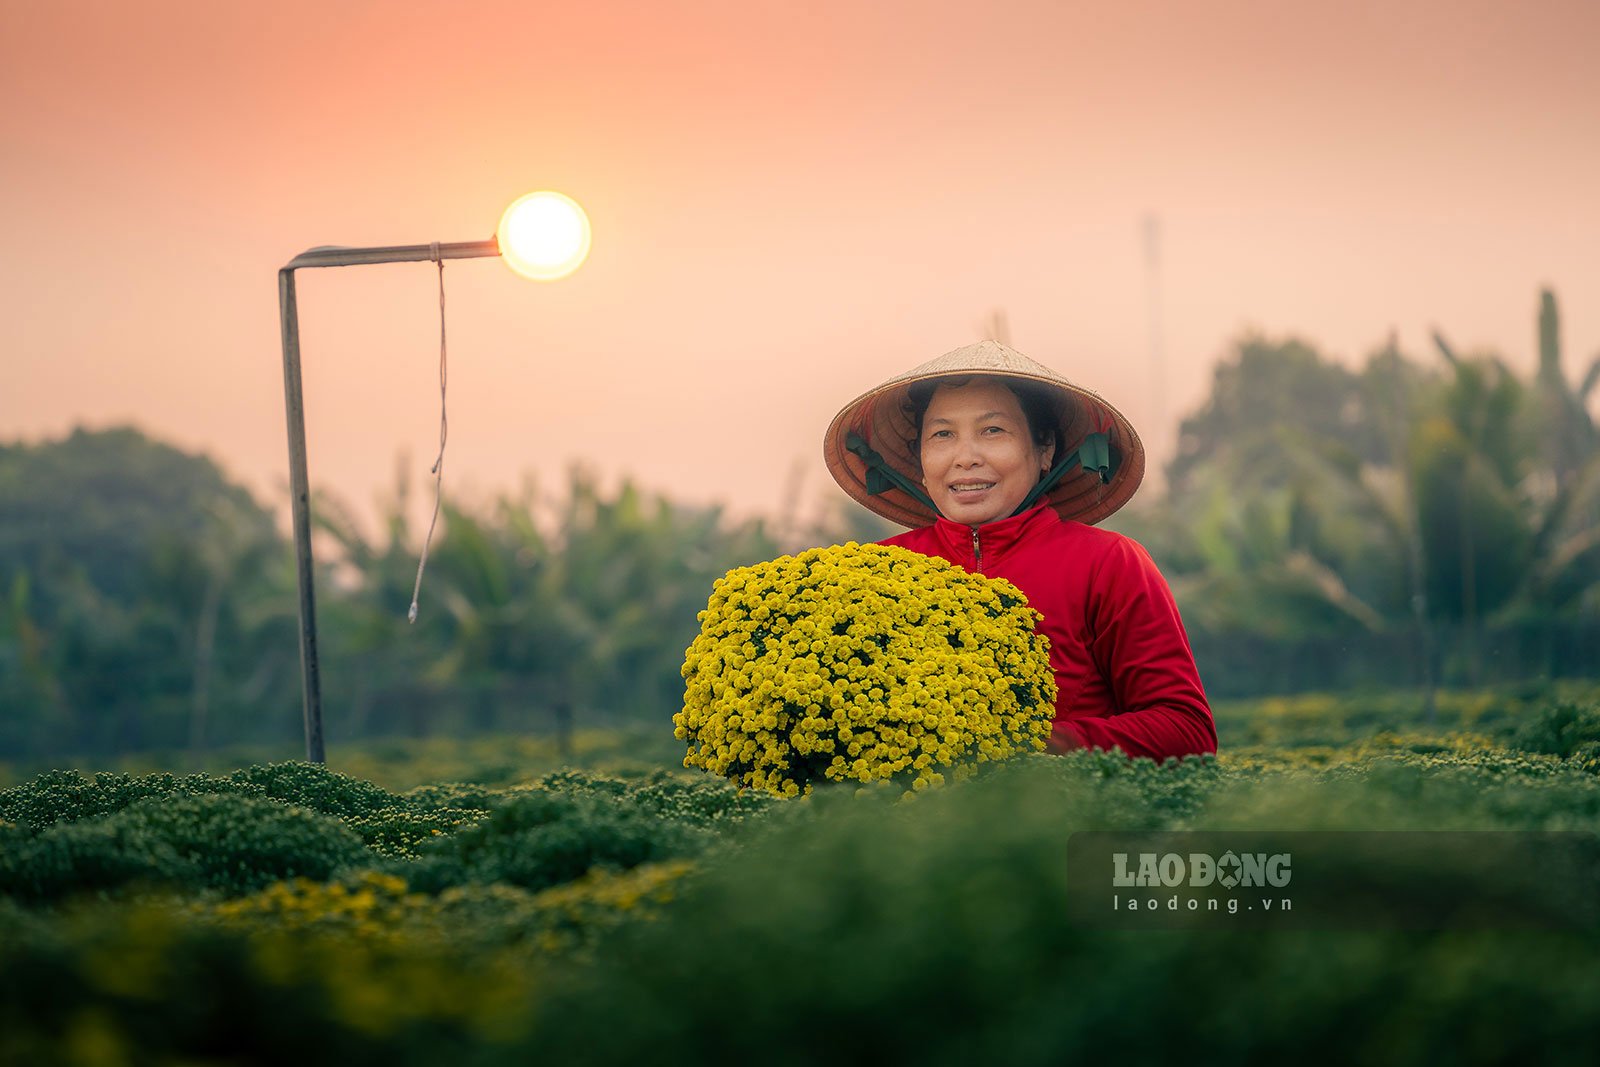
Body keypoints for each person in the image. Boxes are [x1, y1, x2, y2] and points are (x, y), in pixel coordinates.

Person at [823, 339, 1216, 761]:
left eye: (993, 430)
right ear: (919, 459)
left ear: (1044, 449)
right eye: (942, 434)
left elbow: (1187, 731)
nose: (966, 457)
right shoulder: (876, 573)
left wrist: (1030, 747)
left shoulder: (1108, 563)